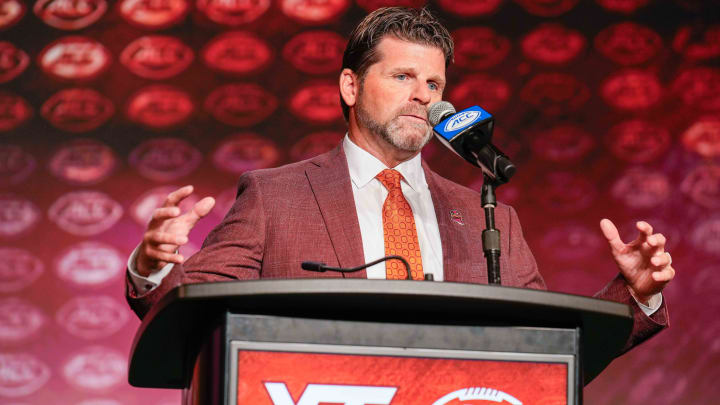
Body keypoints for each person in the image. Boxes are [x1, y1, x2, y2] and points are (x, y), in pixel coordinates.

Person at [126, 7, 673, 352]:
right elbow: (191, 311)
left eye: (435, 82)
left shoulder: (489, 213)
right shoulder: (277, 195)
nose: (424, 95)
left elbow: (549, 348)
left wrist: (636, 296)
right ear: (350, 86)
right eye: (403, 76)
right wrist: (152, 270)